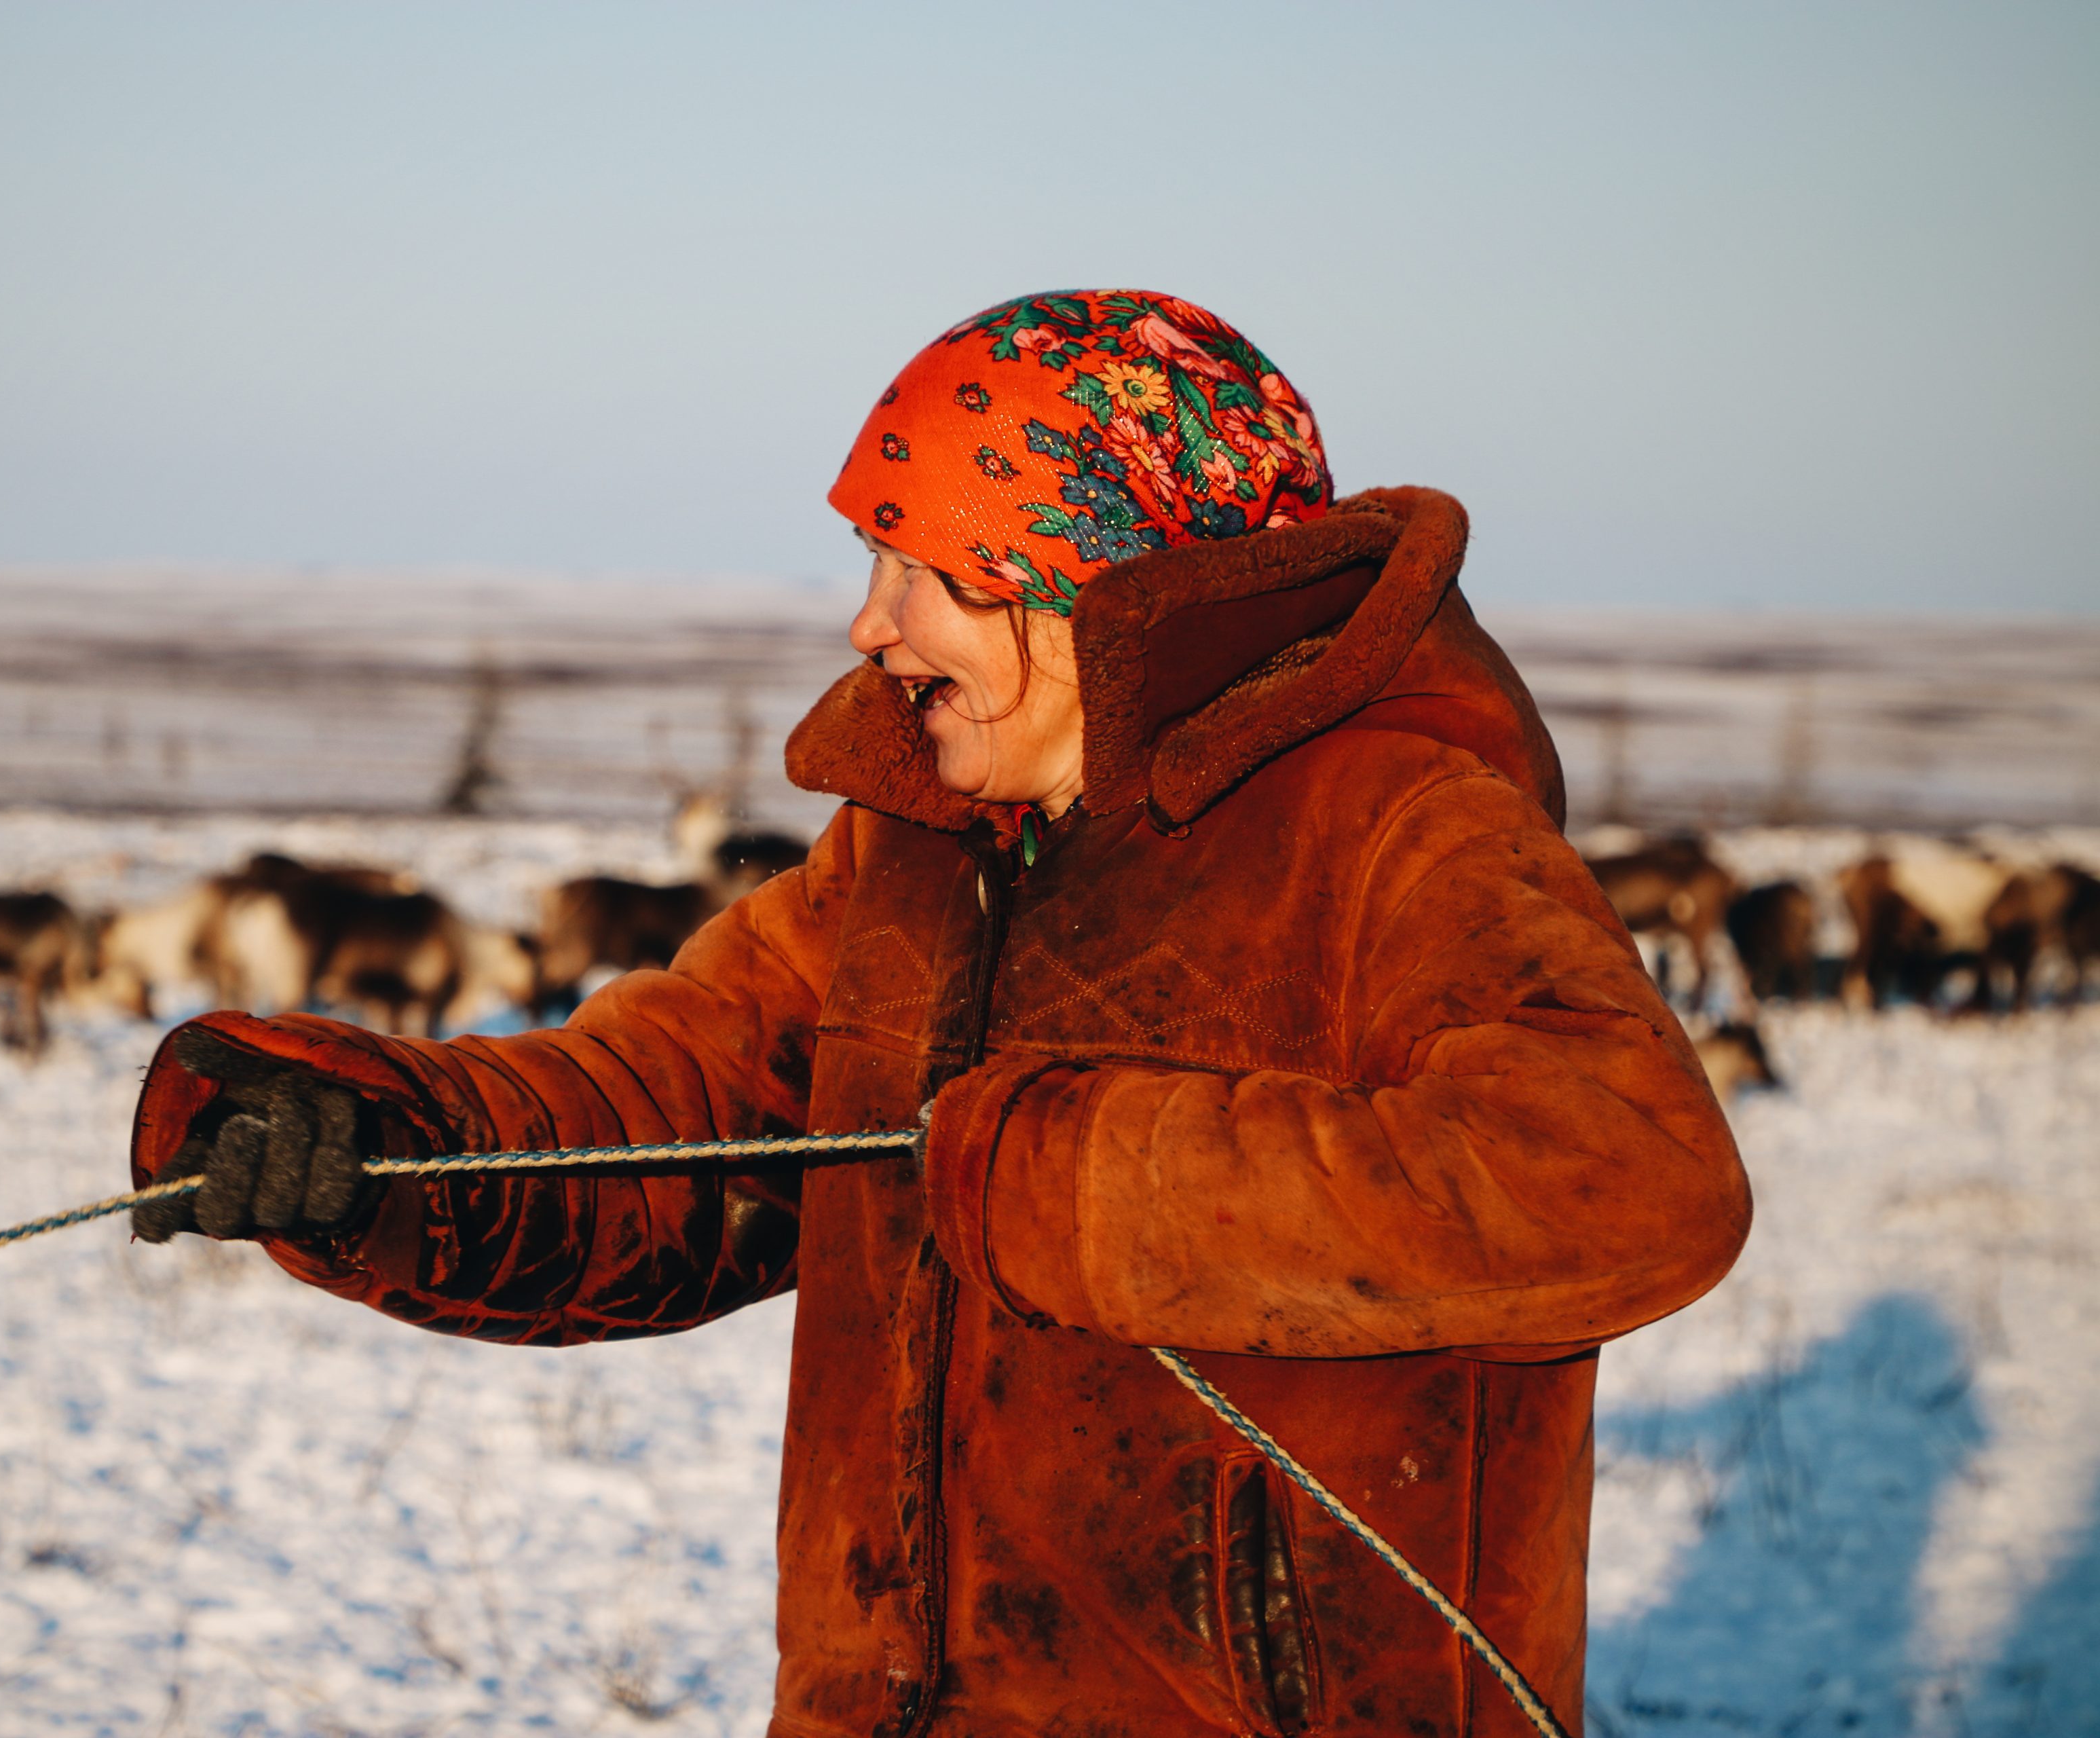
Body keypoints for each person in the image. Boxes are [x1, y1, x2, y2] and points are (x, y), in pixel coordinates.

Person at [129, 289, 1751, 1736]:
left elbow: (1622, 1175)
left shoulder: (1393, 821)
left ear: (1110, 594)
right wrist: (376, 1144)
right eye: (873, 560)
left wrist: (1074, 1178)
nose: (870, 624)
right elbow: (670, 1110)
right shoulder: (909, 853)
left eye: (934, 572)